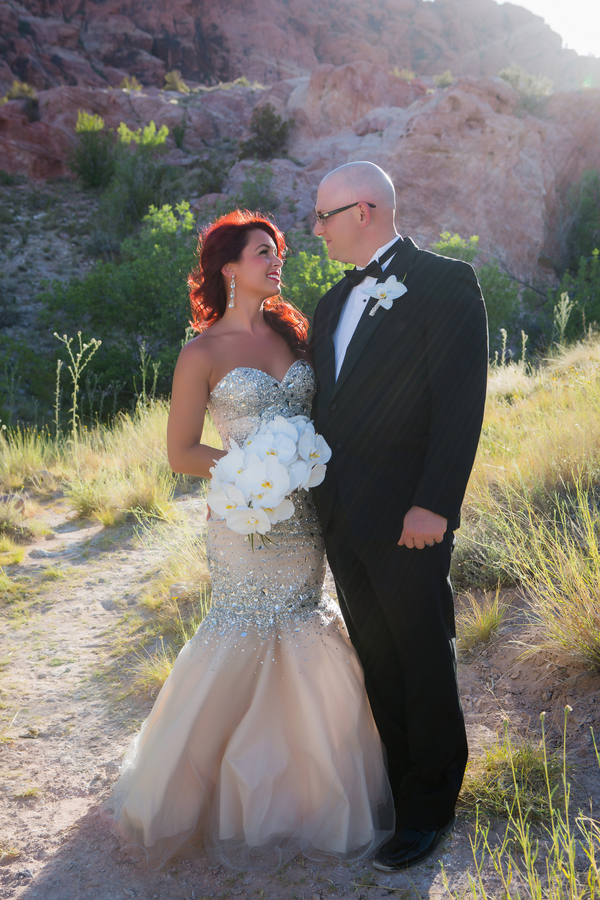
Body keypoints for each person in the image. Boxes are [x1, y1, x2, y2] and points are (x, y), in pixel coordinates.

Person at [102, 209, 394, 871]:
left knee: (302, 624)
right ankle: (196, 796)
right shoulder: (201, 353)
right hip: (245, 519)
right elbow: (181, 451)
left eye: (278, 251)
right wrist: (250, 468)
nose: (277, 261)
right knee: (243, 626)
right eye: (264, 251)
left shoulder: (298, 337)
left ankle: (309, 796)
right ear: (229, 267)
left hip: (305, 520)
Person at [310, 162, 488, 871]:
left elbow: (459, 402)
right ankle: (400, 786)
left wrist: (434, 503)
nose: (316, 231)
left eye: (323, 216)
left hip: (410, 515)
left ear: (363, 211)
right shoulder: (329, 303)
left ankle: (430, 809)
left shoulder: (445, 282)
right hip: (342, 516)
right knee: (379, 660)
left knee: (421, 655)